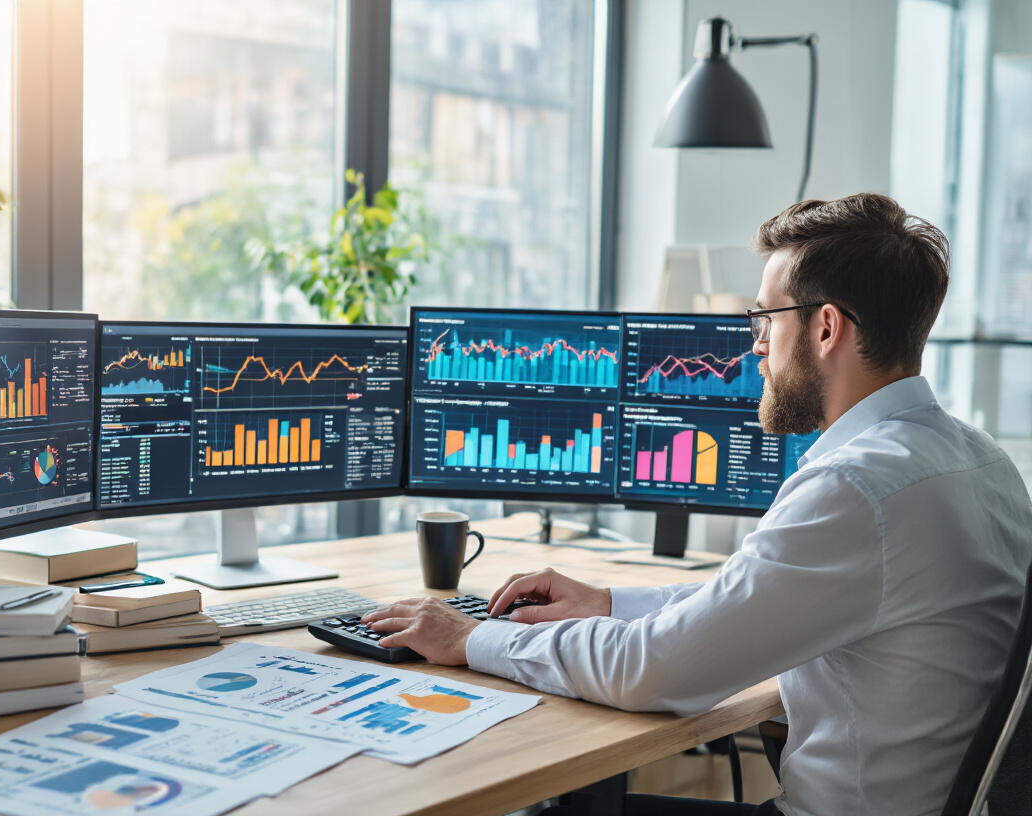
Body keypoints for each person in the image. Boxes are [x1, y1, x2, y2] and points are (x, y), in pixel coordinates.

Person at [363, 193, 1032, 816]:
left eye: (765, 317)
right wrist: (608, 603)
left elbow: (652, 672)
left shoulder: (857, 490)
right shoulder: (980, 462)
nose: (755, 343)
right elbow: (743, 600)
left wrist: (471, 637)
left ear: (826, 328)